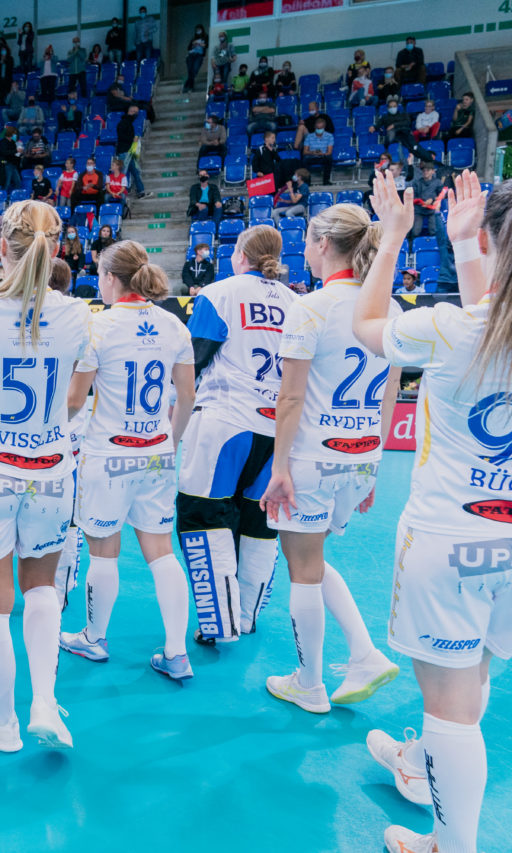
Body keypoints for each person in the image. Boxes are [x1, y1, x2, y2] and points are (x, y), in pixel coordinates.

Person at [351, 169, 506, 853]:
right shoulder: (474, 325)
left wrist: (391, 239)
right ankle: (421, 764)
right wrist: (467, 247)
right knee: (477, 675)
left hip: (449, 538)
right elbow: (492, 322)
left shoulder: (447, 327)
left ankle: (453, 842)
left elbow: (366, 327)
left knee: (452, 704)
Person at [0, 199, 89, 753]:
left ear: (0, 248)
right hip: (53, 468)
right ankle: (45, 700)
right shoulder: (79, 314)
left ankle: (4, 721)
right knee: (42, 587)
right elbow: (74, 393)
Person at [259, 203, 403, 713]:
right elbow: (391, 393)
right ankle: (363, 653)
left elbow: (291, 398)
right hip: (361, 454)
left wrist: (278, 470)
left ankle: (310, 682)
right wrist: (375, 466)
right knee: (314, 558)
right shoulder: (391, 308)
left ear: (323, 244)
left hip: (313, 457)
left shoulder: (311, 306)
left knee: (301, 566)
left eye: (306, 239)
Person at [60, 240, 196, 679]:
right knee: (161, 552)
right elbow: (187, 396)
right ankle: (177, 652)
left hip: (109, 453)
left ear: (109, 278)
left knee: (104, 552)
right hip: (155, 451)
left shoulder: (97, 327)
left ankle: (94, 638)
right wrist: (168, 442)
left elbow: (76, 400)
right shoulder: (174, 324)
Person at [177, 226, 297, 646]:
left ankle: (219, 622)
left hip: (226, 422)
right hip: (278, 429)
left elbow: (194, 361)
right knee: (260, 519)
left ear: (240, 255)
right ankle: (245, 617)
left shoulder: (219, 292)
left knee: (202, 513)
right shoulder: (297, 302)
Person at [410, 160, 443, 237]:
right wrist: (421, 202)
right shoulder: (417, 182)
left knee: (433, 231)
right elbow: (413, 196)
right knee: (415, 232)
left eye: (428, 170)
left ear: (433, 171)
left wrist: (433, 200)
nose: (425, 172)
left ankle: (433, 246)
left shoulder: (437, 182)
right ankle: (415, 246)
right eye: (424, 170)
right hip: (419, 210)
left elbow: (442, 195)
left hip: (432, 210)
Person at [301, 117, 334, 186]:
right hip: (312, 156)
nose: (319, 129)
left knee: (329, 158)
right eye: (317, 128)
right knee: (305, 160)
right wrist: (313, 152)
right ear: (314, 127)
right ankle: (307, 182)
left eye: (320, 128)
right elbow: (305, 152)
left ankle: (326, 181)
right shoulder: (309, 137)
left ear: (324, 127)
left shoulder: (329, 136)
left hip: (323, 156)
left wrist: (322, 153)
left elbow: (329, 152)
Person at [184, 24, 208, 92]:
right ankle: (190, 87)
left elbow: (206, 45)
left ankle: (187, 84)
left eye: (199, 29)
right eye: (197, 30)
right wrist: (193, 44)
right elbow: (188, 48)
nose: (198, 31)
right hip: (191, 55)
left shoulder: (205, 37)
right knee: (190, 71)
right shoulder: (193, 38)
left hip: (199, 55)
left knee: (195, 70)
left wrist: (200, 44)